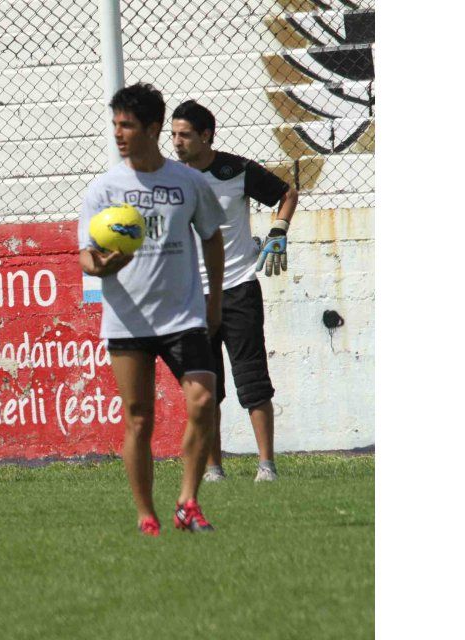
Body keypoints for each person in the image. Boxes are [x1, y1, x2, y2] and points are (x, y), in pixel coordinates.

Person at [78, 83, 227, 536]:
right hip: (128, 319)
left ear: (154, 128)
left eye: (128, 125)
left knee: (203, 401)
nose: (119, 134)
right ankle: (147, 515)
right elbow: (86, 255)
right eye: (116, 124)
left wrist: (214, 300)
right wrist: (103, 266)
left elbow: (212, 237)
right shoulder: (105, 189)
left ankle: (188, 501)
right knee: (139, 417)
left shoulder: (188, 183)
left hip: (183, 316)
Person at [171, 99, 298, 483]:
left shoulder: (236, 170)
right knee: (204, 386)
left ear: (206, 136)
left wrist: (278, 231)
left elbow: (286, 193)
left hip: (239, 288)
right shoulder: (170, 179)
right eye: (173, 134)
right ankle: (213, 469)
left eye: (185, 135)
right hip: (192, 295)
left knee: (252, 379)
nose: (176, 142)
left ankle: (267, 466)